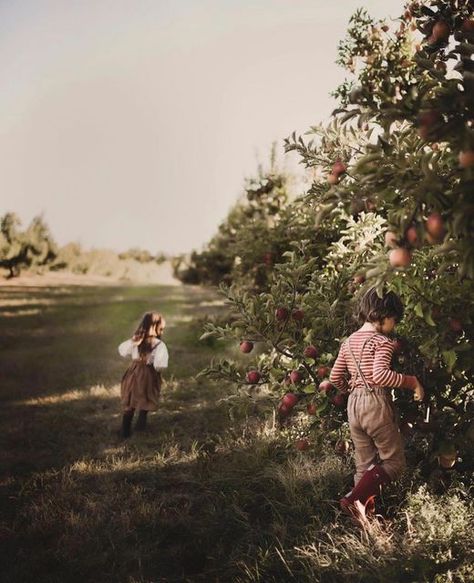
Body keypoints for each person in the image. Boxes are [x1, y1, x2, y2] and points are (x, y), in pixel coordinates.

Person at [329, 287, 424, 522]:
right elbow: (380, 375)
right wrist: (412, 382)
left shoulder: (348, 342)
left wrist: (351, 390)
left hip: (354, 406)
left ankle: (363, 522)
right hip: (375, 403)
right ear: (382, 315)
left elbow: (335, 377)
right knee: (394, 464)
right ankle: (353, 501)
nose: (395, 324)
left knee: (365, 467)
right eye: (395, 319)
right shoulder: (383, 342)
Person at [118, 311, 169, 438]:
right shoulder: (159, 344)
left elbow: (122, 351)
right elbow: (160, 364)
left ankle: (125, 430)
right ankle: (140, 426)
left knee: (130, 398)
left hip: (133, 372)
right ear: (156, 327)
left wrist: (133, 342)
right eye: (161, 328)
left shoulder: (136, 340)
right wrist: (156, 367)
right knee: (146, 396)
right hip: (149, 374)